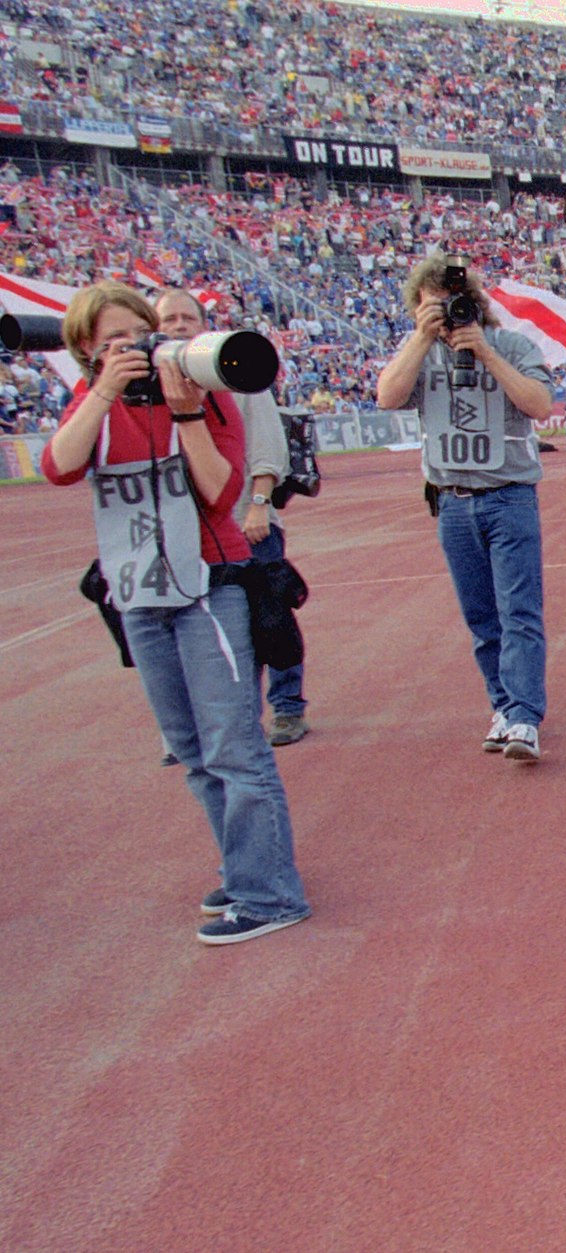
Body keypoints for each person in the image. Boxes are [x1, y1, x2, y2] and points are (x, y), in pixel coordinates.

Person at [41, 282, 310, 945]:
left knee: (234, 746)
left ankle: (270, 892)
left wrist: (187, 414)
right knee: (192, 751)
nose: (135, 352)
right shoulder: (94, 400)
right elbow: (58, 466)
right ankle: (247, 866)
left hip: (208, 583)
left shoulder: (205, 394)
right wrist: (105, 388)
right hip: (140, 593)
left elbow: (222, 493)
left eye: (141, 338)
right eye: (114, 343)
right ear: (87, 350)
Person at [376, 253, 553, 763]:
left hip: (509, 497)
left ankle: (523, 717)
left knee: (519, 611)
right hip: (453, 503)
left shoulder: (512, 346)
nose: (445, 315)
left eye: (452, 305)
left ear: (473, 304)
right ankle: (502, 705)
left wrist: (485, 353)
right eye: (431, 308)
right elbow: (387, 397)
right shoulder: (420, 354)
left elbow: (540, 405)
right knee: (480, 616)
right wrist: (420, 338)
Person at [154, 288, 311, 747]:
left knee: (271, 619)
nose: (179, 325)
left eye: (188, 317)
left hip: (246, 521)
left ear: (203, 326)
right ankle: (227, 719)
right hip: (186, 531)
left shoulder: (232, 369)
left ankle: (287, 707)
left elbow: (266, 447)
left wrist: (258, 504)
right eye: (170, 318)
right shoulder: (151, 383)